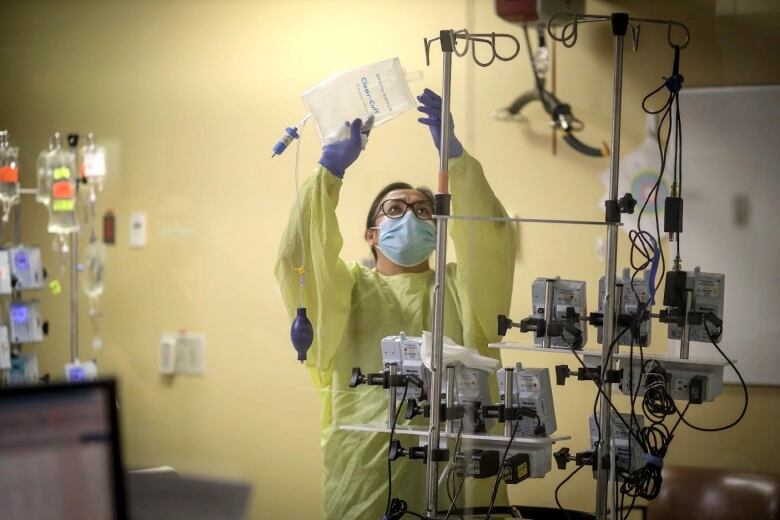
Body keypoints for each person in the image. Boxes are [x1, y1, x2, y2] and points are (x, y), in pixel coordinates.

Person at [275, 89, 516, 519]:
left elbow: (492, 239)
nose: (410, 217)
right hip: (366, 467)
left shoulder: (460, 288)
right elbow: (298, 258)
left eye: (425, 211)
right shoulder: (347, 289)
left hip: (459, 467)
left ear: (441, 231)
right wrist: (328, 172)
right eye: (394, 208)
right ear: (371, 235)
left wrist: (456, 161)